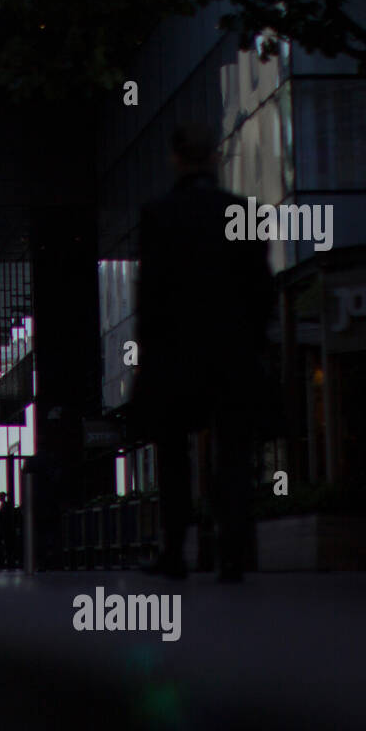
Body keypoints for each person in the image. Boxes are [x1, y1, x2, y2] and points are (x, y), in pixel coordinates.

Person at [134, 122, 273, 583]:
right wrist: (256, 343)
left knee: (173, 453)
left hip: (176, 355)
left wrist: (148, 358)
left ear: (176, 159)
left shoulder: (158, 215)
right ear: (214, 157)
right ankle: (234, 552)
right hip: (231, 353)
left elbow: (150, 296)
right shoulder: (243, 213)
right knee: (233, 451)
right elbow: (261, 291)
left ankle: (175, 550)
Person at [0, 492, 18, 569]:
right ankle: (6, 561)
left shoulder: (5, 505)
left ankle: (5, 561)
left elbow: (4, 517)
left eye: (0, 496)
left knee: (5, 545)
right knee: (5, 545)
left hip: (5, 529)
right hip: (4, 529)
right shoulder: (5, 505)